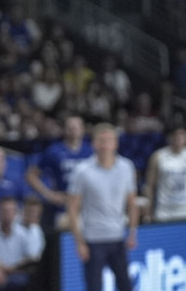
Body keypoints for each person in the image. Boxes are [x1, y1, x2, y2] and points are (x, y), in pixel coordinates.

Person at [66, 123, 138, 291]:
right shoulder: (82, 171)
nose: (105, 145)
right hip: (93, 239)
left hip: (117, 237)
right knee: (94, 287)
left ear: (116, 144)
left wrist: (133, 232)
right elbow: (72, 209)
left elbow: (132, 203)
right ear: (94, 144)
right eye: (101, 141)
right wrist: (79, 242)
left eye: (109, 140)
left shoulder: (126, 167)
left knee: (125, 285)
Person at [24, 115, 92, 230]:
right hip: (64, 207)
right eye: (70, 128)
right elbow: (31, 175)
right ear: (65, 130)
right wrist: (49, 195)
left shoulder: (90, 151)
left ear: (82, 130)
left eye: (76, 127)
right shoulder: (54, 151)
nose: (73, 130)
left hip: (88, 206)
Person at [143, 124, 186, 222]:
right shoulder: (158, 157)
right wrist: (148, 212)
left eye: (182, 135)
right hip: (165, 211)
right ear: (170, 138)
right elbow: (149, 186)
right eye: (176, 135)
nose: (179, 138)